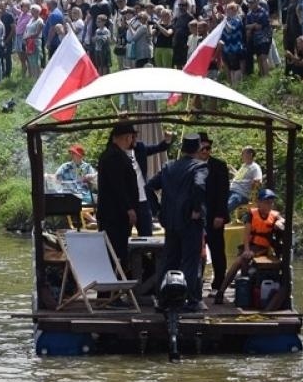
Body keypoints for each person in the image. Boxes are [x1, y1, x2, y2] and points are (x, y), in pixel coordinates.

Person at [147, 135, 209, 312]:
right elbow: (199, 186)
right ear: (198, 149)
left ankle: (162, 299)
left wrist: (157, 210)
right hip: (190, 221)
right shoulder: (200, 166)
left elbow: (149, 186)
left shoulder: (168, 166)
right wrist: (197, 208)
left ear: (182, 150)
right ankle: (192, 300)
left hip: (170, 221)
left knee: (169, 260)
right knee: (191, 261)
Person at [95, 122, 145, 289]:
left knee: (117, 253)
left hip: (116, 215)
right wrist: (129, 208)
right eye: (131, 137)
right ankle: (110, 293)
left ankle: (112, 292)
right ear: (126, 137)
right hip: (114, 215)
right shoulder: (113, 156)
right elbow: (118, 186)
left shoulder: (115, 155)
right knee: (115, 254)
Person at [218, 190, 287, 306]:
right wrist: (246, 249)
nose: (269, 205)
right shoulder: (251, 214)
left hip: (263, 249)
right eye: (266, 202)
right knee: (240, 261)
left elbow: (283, 220)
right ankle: (221, 292)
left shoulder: (274, 215)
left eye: (271, 203)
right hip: (250, 246)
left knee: (243, 262)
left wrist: (279, 222)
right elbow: (246, 235)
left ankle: (245, 291)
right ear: (259, 202)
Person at [197, 134, 230, 304]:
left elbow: (223, 192)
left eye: (208, 148)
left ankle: (218, 284)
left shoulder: (219, 166)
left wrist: (220, 215)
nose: (205, 151)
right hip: (195, 217)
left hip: (213, 216)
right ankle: (196, 283)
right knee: (195, 252)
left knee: (217, 251)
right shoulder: (190, 165)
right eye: (202, 148)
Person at [227, 145, 263, 214]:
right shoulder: (244, 165)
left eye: (243, 153)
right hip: (231, 190)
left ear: (250, 154)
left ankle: (216, 221)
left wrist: (254, 183)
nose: (241, 155)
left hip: (240, 194)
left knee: (226, 207)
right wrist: (232, 170)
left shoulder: (255, 167)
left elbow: (259, 180)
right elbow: (238, 178)